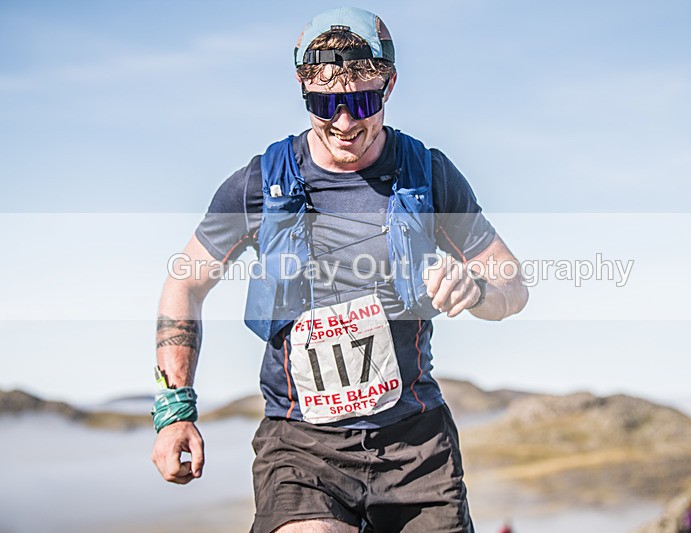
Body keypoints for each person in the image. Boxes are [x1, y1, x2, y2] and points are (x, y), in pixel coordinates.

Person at [150, 6, 528, 532]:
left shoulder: (429, 175)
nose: (345, 123)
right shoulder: (259, 184)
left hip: (417, 446)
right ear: (303, 91)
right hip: (301, 447)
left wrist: (477, 289)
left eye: (363, 101)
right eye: (325, 105)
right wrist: (175, 410)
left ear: (389, 85)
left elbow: (513, 286)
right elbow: (184, 283)